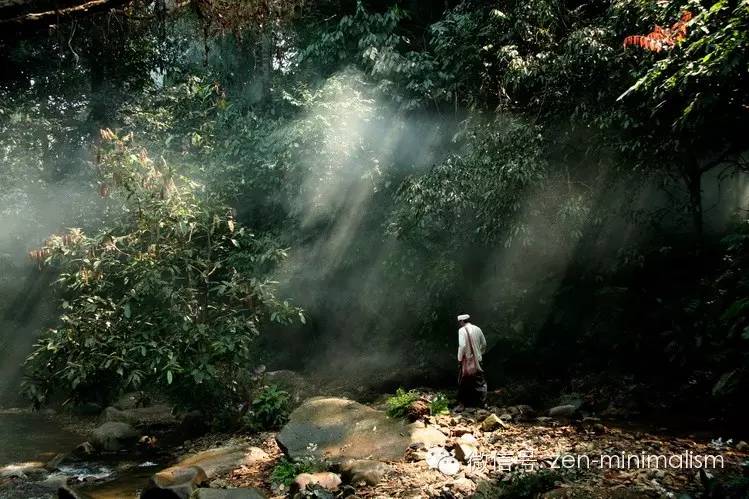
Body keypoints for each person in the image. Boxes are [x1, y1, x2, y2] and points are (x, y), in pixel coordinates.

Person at [456, 313, 487, 410]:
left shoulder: (461, 330)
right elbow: (484, 344)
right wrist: (479, 354)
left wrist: (460, 359)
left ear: (461, 321)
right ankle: (482, 404)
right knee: (480, 382)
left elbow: (462, 346)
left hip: (467, 361)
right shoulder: (478, 328)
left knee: (463, 381)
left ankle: (462, 405)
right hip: (478, 359)